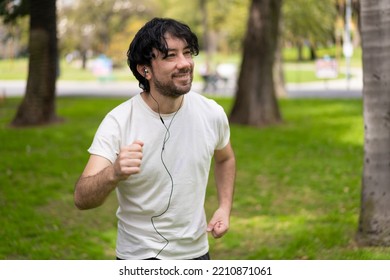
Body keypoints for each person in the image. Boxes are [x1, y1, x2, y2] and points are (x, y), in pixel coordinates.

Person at [74, 17, 236, 260]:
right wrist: (113, 173)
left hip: (196, 254)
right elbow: (81, 199)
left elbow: (225, 158)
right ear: (145, 69)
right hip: (138, 257)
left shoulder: (211, 113)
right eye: (170, 56)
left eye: (187, 53)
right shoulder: (118, 122)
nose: (185, 63)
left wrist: (224, 208)